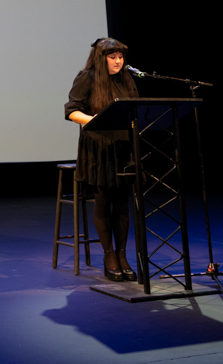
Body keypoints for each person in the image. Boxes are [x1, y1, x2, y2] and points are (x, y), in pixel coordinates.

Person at [64, 37, 139, 282]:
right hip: (98, 147)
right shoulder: (87, 77)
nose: (118, 62)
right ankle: (109, 256)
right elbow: (72, 110)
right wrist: (93, 119)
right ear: (101, 57)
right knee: (103, 201)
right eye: (112, 57)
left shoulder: (126, 78)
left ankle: (122, 254)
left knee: (121, 204)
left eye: (121, 57)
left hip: (122, 147)